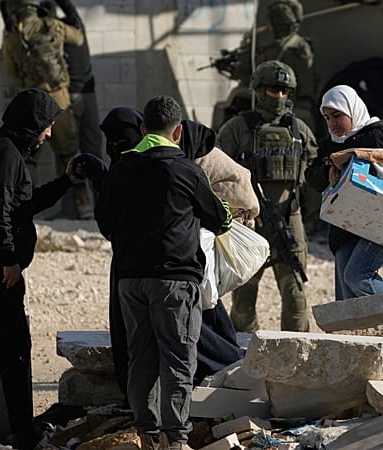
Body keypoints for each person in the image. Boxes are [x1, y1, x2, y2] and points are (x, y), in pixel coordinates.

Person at [95, 96, 232, 450]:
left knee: (141, 356)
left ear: (142, 129)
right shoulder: (186, 170)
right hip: (174, 280)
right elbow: (219, 219)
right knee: (177, 357)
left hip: (130, 280)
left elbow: (105, 225)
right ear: (178, 132)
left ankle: (146, 434)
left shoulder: (120, 169)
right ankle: (176, 440)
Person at [0, 88, 82, 450]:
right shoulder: (3, 155)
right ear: (31, 124)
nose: (48, 134)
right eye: (46, 127)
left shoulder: (9, 154)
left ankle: (22, 431)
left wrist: (66, 181)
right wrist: (10, 260)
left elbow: (23, 205)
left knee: (13, 350)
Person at [218, 60, 317, 332]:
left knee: (296, 296)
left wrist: (308, 217)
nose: (280, 96)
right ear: (259, 90)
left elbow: (313, 178)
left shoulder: (299, 131)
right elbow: (216, 173)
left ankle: (297, 353)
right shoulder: (236, 129)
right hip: (249, 222)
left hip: (288, 220)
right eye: (274, 90)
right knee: (243, 298)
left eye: (285, 91)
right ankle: (244, 353)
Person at [304, 84, 383, 300]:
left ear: (352, 111)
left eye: (337, 116)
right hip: (345, 227)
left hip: (380, 223)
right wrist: (327, 172)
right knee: (346, 296)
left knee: (357, 277)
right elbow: (311, 176)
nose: (332, 124)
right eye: (326, 118)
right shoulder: (329, 146)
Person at [1, 0, 86, 219]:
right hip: (60, 99)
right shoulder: (52, 25)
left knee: (28, 158)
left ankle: (25, 206)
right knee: (69, 152)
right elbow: (78, 38)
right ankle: (83, 204)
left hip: (31, 103)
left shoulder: (14, 37)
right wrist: (67, 10)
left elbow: (10, 72)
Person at [39, 0, 105, 219]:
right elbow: (71, 10)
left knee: (66, 153)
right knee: (93, 151)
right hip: (89, 94)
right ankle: (98, 206)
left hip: (69, 99)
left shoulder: (52, 35)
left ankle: (72, 207)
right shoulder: (74, 28)